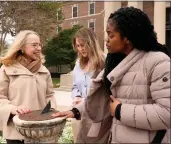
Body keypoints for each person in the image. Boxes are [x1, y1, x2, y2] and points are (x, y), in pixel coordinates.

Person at [53, 7, 170, 143]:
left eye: (111, 35)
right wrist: (76, 111)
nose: (106, 40)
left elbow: (167, 113)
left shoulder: (158, 62)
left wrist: (120, 110)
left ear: (127, 37)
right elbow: (101, 98)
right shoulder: (115, 63)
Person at [0, 30, 56, 144]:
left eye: (39, 45)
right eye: (34, 45)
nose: (39, 48)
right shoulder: (7, 69)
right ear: (22, 47)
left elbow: (50, 95)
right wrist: (12, 109)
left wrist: (51, 110)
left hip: (42, 131)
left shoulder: (44, 71)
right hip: (16, 132)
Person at [71, 27, 106, 142]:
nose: (80, 49)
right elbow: (75, 85)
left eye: (83, 45)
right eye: (78, 46)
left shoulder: (104, 62)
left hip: (97, 116)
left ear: (91, 42)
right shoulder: (78, 64)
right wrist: (76, 96)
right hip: (78, 114)